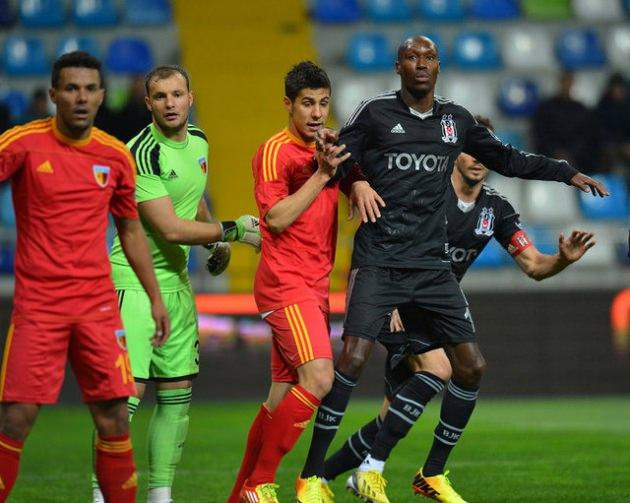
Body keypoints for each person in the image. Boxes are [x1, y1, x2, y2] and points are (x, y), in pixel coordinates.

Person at [300, 35, 608, 503]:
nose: (421, 64)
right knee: (354, 360)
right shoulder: (375, 112)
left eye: (429, 57)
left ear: (439, 67)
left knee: (469, 367)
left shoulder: (458, 122)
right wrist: (357, 181)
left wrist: (565, 172)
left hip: (431, 270)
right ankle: (312, 477)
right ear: (398, 66)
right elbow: (337, 159)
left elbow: (510, 159)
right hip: (381, 261)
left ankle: (427, 473)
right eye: (411, 57)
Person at [0, 51, 170, 503]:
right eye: (71, 88)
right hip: (38, 308)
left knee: (114, 417)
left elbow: (130, 229)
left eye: (90, 89)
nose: (81, 97)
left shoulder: (115, 155)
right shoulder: (21, 143)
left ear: (101, 96)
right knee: (15, 418)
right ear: (54, 94)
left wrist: (154, 296)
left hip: (97, 308)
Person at [91, 64, 261, 503]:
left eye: (177, 94)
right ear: (148, 103)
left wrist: (213, 240)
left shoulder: (199, 141)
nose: (170, 103)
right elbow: (168, 228)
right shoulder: (141, 153)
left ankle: (160, 496)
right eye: (161, 96)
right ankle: (101, 495)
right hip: (132, 285)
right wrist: (233, 231)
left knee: (176, 397)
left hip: (178, 286)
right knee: (124, 401)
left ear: (191, 98)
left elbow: (193, 197)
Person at [228, 61, 381, 503]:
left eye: (323, 103)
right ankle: (260, 485)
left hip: (314, 285)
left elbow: (350, 171)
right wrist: (322, 175)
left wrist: (357, 184)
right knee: (319, 377)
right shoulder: (274, 152)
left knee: (279, 400)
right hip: (285, 282)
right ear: (288, 105)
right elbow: (275, 219)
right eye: (307, 103)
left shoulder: (328, 146)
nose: (316, 113)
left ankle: (240, 496)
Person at [532, 71, 598, 174]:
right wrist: (555, 150)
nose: (566, 86)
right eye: (564, 82)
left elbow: (585, 135)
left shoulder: (580, 109)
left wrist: (571, 152)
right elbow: (540, 132)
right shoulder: (546, 107)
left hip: (576, 156)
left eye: (569, 83)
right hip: (549, 153)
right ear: (560, 83)